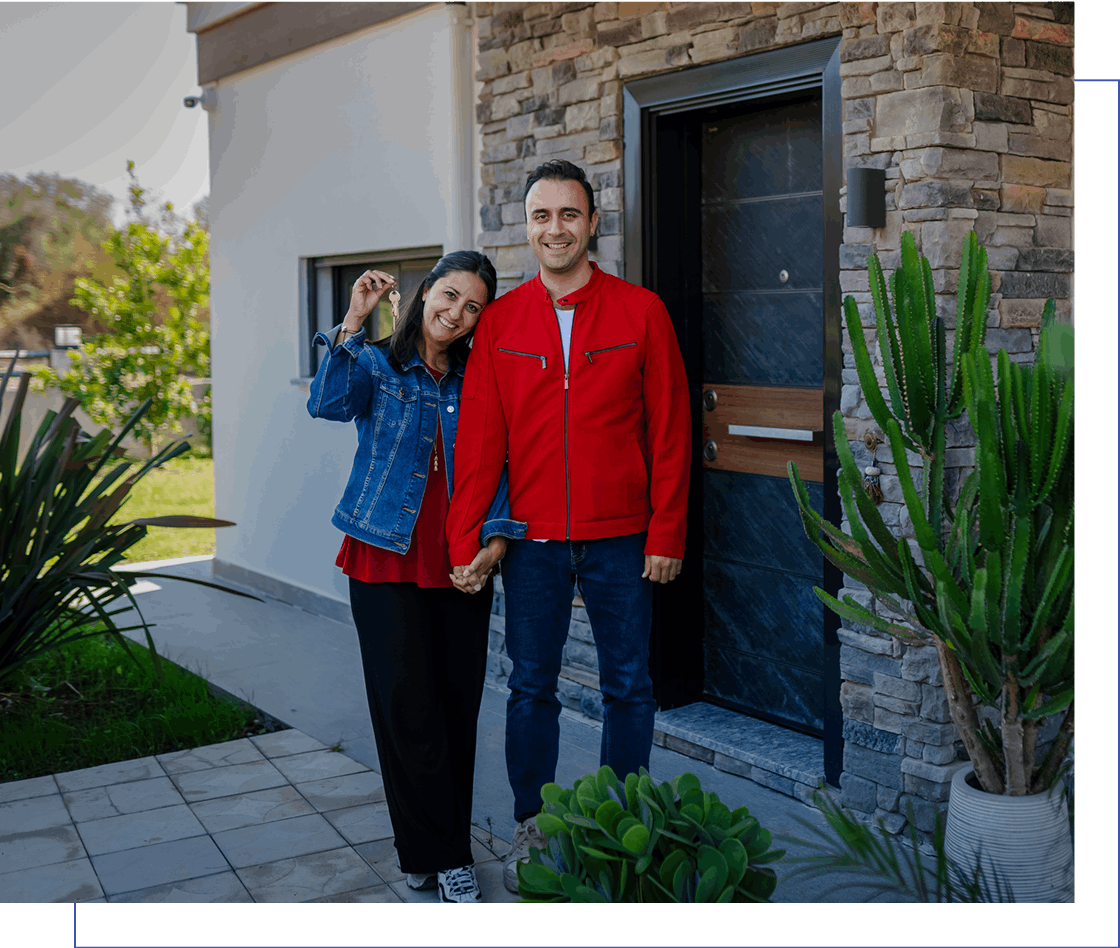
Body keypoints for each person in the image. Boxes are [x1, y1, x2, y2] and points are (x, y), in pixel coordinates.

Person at [445, 160, 691, 893]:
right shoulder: (501, 324)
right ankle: (534, 823)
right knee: (531, 688)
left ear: (593, 223)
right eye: (542, 216)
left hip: (623, 537)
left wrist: (666, 532)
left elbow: (671, 430)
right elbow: (482, 442)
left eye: (569, 215)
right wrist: (468, 543)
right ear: (529, 227)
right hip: (532, 540)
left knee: (630, 686)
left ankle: (623, 820)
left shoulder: (642, 312)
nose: (556, 229)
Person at [307, 251, 526, 904]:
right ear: (427, 291)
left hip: (461, 564)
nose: (456, 314)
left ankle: (438, 847)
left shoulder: (481, 378)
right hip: (383, 555)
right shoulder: (375, 362)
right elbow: (326, 403)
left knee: (457, 709)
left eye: (472, 307)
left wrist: (494, 543)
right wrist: (353, 319)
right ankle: (440, 854)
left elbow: (509, 463)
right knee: (407, 710)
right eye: (449, 296)